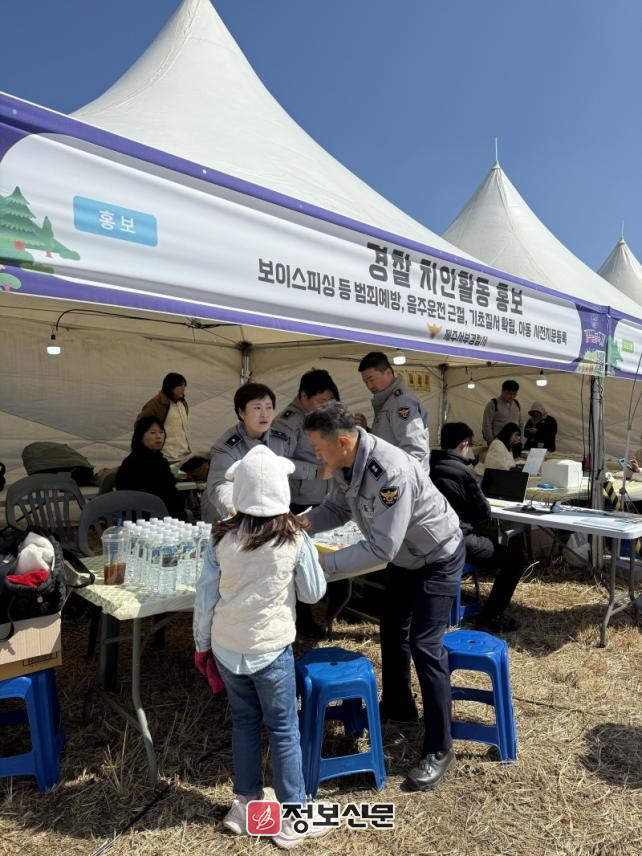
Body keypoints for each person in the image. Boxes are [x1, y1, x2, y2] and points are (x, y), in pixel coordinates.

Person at [301, 402, 464, 792]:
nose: (316, 456)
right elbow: (337, 508)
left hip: (436, 554)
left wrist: (321, 566)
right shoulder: (346, 463)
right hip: (407, 556)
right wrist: (300, 523)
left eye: (319, 449)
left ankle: (440, 747)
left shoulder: (389, 471)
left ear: (342, 442)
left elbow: (381, 549)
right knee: (391, 628)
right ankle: (399, 705)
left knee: (425, 645)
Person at [193, 446, 331, 849]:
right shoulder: (294, 537)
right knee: (284, 729)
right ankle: (293, 817)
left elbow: (205, 598)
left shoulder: (220, 536)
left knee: (244, 723)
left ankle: (246, 804)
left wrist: (202, 644)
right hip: (270, 648)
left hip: (227, 645)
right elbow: (313, 593)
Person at [272, 369, 348, 629]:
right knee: (299, 559)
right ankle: (303, 618)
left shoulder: (325, 418)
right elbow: (278, 462)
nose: (325, 406)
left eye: (330, 400)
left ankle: (334, 610)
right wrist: (314, 471)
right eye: (320, 400)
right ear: (303, 396)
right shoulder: (288, 423)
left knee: (332, 550)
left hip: (327, 499)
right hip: (299, 501)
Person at [430, 422, 524, 633]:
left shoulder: (428, 466)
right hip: (458, 541)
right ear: (464, 444)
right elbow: (483, 513)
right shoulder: (463, 472)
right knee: (515, 559)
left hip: (432, 538)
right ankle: (491, 617)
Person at [354, 351, 429, 466]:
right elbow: (387, 438)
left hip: (401, 475)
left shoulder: (401, 402)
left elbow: (414, 450)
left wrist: (401, 476)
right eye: (366, 382)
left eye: (371, 380)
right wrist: (367, 430)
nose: (369, 386)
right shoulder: (389, 401)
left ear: (388, 373)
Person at [137, 373, 209, 478]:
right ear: (171, 387)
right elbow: (141, 427)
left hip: (185, 455)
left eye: (184, 386)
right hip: (166, 457)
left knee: (205, 474)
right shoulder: (156, 405)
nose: (184, 389)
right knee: (170, 482)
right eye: (181, 386)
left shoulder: (183, 403)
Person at [115, 416, 185, 519]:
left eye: (161, 432)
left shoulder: (161, 462)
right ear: (140, 437)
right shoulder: (132, 463)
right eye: (153, 433)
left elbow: (171, 492)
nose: (158, 436)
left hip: (167, 517)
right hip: (143, 519)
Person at [482, 380, 523, 446]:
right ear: (502, 391)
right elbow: (486, 424)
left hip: (514, 443)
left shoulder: (517, 404)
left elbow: (521, 424)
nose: (512, 396)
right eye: (509, 393)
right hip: (498, 442)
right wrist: (491, 441)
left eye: (514, 394)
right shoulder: (493, 404)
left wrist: (521, 441)